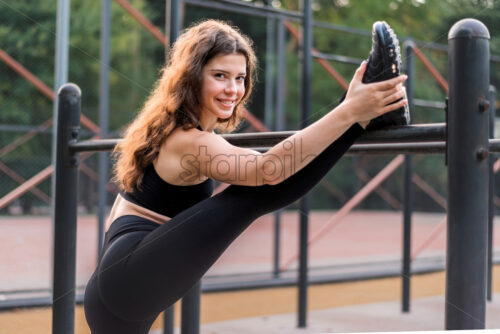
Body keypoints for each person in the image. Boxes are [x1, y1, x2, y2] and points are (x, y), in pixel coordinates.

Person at [84, 19, 408, 333]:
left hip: (119, 285)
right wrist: (350, 111)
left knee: (256, 190)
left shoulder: (175, 125)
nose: (232, 89)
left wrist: (351, 110)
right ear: (192, 77)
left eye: (240, 78)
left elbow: (276, 166)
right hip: (128, 278)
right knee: (252, 194)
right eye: (220, 75)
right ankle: (365, 116)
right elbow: (269, 170)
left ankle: (366, 114)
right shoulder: (187, 140)